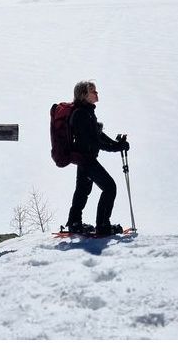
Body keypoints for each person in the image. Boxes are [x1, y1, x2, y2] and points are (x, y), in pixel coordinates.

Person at [65, 80, 129, 237]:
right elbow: (94, 141)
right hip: (87, 160)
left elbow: (98, 135)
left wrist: (116, 144)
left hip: (84, 159)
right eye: (93, 91)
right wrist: (116, 147)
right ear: (84, 95)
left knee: (82, 191)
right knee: (109, 187)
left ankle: (74, 223)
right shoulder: (81, 114)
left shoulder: (86, 112)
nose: (96, 93)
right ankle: (103, 225)